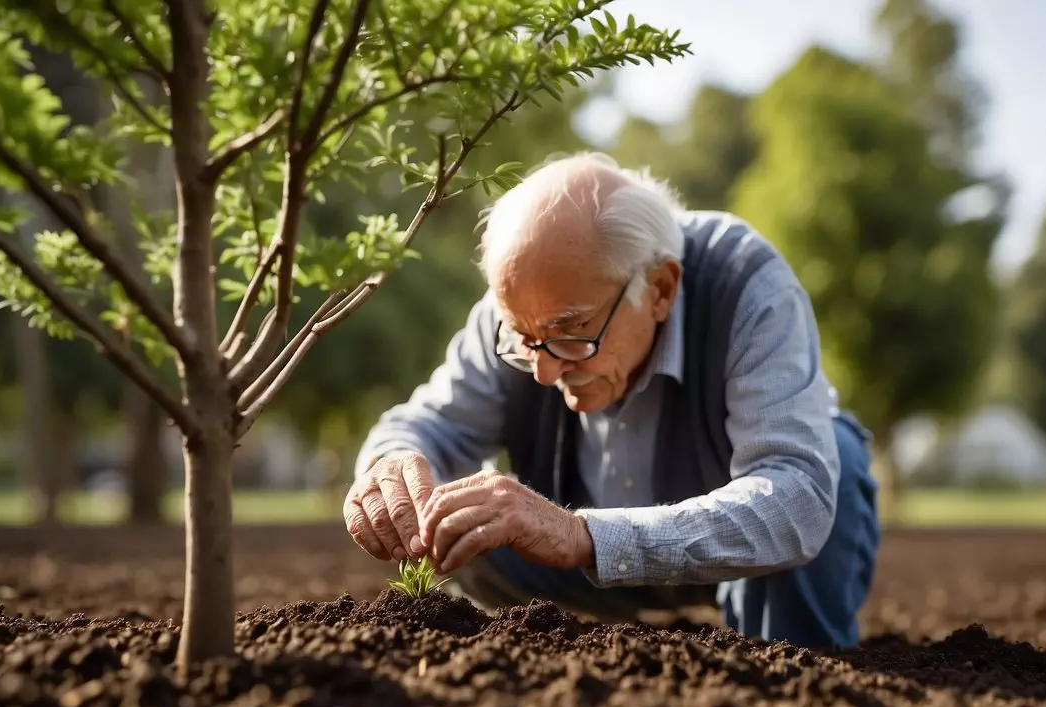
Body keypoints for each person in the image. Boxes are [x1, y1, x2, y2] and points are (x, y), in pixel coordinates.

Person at [344, 152, 880, 649]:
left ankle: (790, 661)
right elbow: (427, 428)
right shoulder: (522, 307)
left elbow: (797, 494)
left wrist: (582, 536)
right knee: (476, 512)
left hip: (743, 567)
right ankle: (542, 669)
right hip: (578, 578)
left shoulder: (745, 283)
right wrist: (391, 466)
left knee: (835, 456)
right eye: (523, 338)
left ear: (661, 289)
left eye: (571, 330)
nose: (545, 369)